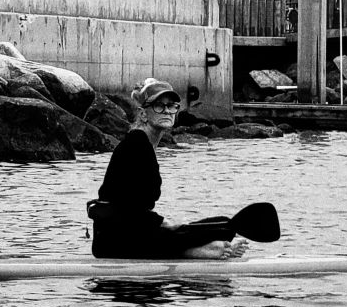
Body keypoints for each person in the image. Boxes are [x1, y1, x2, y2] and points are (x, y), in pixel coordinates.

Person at [87, 78, 246, 259]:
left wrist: (171, 226)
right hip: (116, 240)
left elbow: (137, 209)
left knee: (223, 224)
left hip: (129, 232)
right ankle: (198, 251)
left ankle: (198, 247)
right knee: (217, 229)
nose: (167, 111)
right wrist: (167, 223)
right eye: (159, 106)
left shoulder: (143, 143)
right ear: (144, 114)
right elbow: (128, 208)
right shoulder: (136, 144)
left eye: (171, 106)